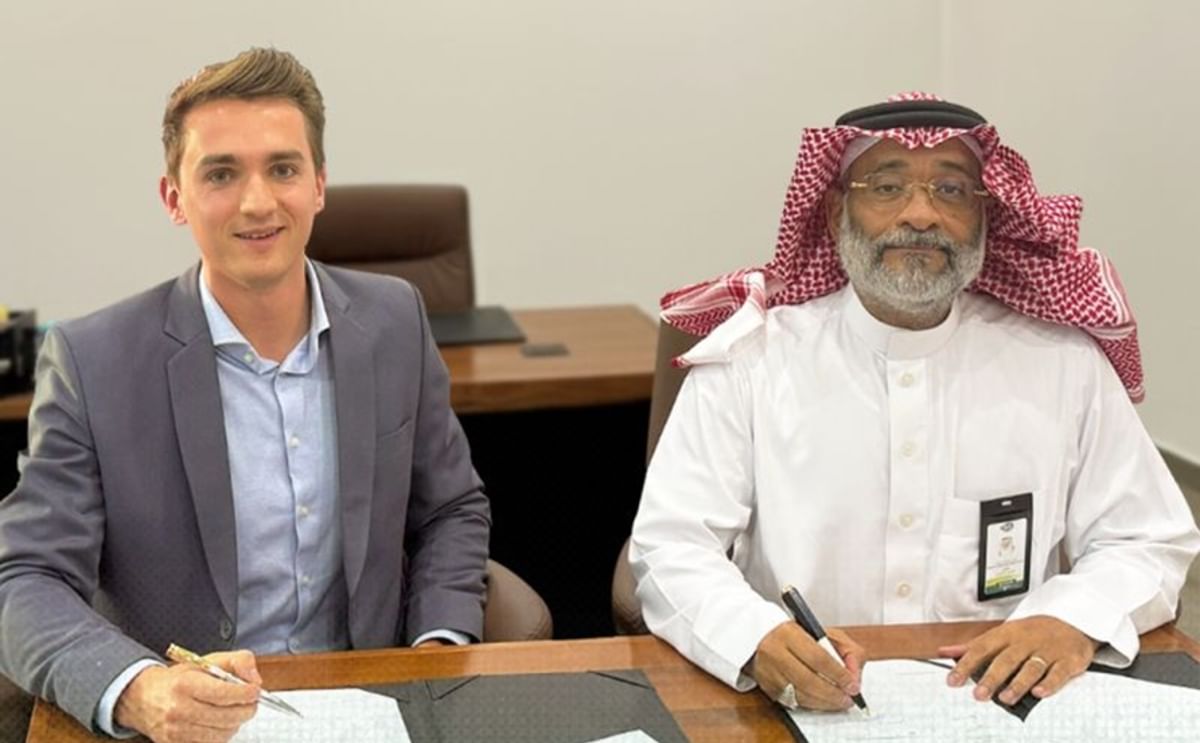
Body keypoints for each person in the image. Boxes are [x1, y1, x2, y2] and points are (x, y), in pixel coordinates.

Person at [629, 93, 1199, 714]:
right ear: (834, 210)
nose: (921, 215)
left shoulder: (1062, 362)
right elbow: (672, 545)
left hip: (1004, 705)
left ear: (986, 216)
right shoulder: (751, 361)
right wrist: (756, 637)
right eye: (886, 187)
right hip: (798, 706)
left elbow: (1148, 538)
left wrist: (1071, 619)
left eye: (952, 191)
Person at [0, 48, 490, 741]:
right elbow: (23, 577)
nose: (259, 202)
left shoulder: (393, 321)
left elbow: (451, 509)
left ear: (319, 184)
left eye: (283, 168)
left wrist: (435, 650)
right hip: (182, 725)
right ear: (174, 197)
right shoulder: (93, 359)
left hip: (369, 706)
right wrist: (140, 689)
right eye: (221, 173)